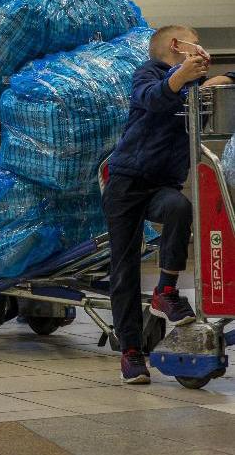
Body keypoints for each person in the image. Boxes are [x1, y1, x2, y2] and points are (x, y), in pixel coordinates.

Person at [102, 25, 235, 384]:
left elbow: (215, 87)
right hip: (126, 183)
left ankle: (165, 291)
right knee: (125, 266)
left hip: (163, 185)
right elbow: (154, 97)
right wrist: (182, 76)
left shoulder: (192, 89)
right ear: (177, 46)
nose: (202, 49)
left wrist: (220, 79)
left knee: (179, 208)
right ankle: (131, 352)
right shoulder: (148, 73)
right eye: (195, 41)